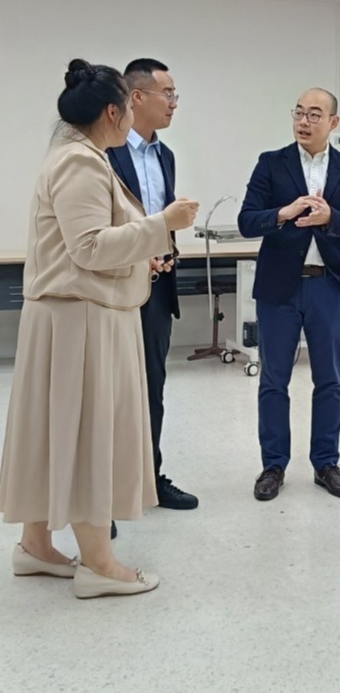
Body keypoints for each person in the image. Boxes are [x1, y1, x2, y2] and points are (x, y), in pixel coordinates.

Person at [0, 59, 198, 599]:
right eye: (129, 106)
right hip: (81, 319)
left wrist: (142, 250)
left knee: (55, 430)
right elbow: (88, 248)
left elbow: (90, 241)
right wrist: (163, 225)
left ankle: (35, 545)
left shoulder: (79, 157)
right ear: (114, 112)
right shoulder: (81, 163)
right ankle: (98, 564)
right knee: (88, 432)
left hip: (73, 313)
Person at [237, 88, 340, 501]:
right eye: (299, 113)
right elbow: (247, 221)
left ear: (333, 123)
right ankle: (273, 466)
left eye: (314, 114)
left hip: (327, 286)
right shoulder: (271, 163)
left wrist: (331, 218)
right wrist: (284, 212)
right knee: (273, 379)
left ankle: (326, 463)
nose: (304, 121)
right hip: (279, 288)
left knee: (329, 378)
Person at [107, 58, 198, 514]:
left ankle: (150, 478)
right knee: (109, 393)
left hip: (157, 289)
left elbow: (161, 222)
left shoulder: (166, 156)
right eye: (169, 94)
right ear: (137, 97)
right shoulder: (104, 153)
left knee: (152, 388)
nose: (174, 103)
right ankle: (103, 496)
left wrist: (168, 250)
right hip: (114, 291)